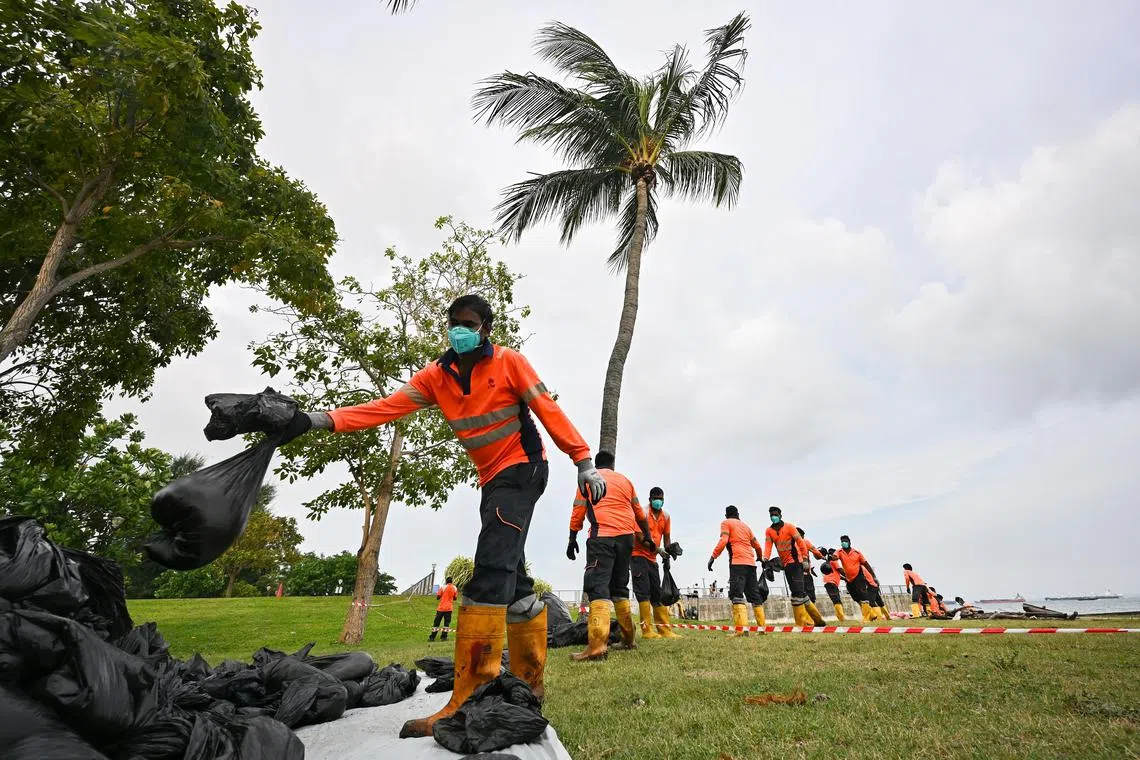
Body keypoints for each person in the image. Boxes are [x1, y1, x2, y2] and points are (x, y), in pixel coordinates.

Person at [277, 293, 607, 738]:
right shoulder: (437, 376)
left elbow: (547, 408)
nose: (458, 329)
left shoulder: (511, 362)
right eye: (453, 322)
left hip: (524, 470)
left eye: (467, 323)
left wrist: (583, 460)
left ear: (486, 328)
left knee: (489, 573)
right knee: (515, 582)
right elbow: (385, 408)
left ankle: (468, 700)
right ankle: (531, 687)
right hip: (492, 478)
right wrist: (315, 420)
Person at [567, 451, 655, 660]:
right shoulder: (626, 481)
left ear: (595, 465)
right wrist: (649, 537)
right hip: (626, 540)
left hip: (602, 538)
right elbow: (639, 514)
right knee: (619, 588)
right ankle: (628, 639)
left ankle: (597, 648)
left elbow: (578, 511)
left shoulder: (589, 478)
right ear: (612, 464)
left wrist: (572, 539)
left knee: (599, 588)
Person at [630, 486, 682, 640]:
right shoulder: (643, 513)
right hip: (638, 555)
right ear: (650, 500)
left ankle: (664, 630)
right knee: (643, 592)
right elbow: (639, 536)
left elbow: (666, 537)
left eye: (661, 498)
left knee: (656, 594)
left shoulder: (666, 516)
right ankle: (647, 631)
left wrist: (668, 551)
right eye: (655, 498)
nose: (658, 501)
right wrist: (658, 549)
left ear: (664, 499)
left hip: (653, 559)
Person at [708, 505, 767, 636]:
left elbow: (724, 540)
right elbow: (757, 545)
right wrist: (759, 558)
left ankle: (741, 631)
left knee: (737, 595)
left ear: (726, 515)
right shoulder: (746, 527)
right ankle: (762, 629)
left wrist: (713, 556)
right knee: (755, 596)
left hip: (737, 563)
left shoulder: (726, 523)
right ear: (738, 514)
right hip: (751, 564)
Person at [762, 507, 824, 626]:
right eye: (771, 515)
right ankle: (818, 620)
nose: (773, 517)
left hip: (796, 562)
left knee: (796, 593)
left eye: (775, 514)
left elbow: (801, 543)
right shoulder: (769, 531)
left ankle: (801, 623)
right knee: (799, 591)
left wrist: (805, 559)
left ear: (780, 515)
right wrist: (765, 558)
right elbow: (768, 546)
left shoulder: (790, 527)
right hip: (786, 564)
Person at [832, 536, 888, 622]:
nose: (843, 543)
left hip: (859, 576)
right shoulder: (839, 551)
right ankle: (872, 614)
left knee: (863, 595)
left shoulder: (857, 553)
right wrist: (833, 557)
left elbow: (866, 564)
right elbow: (835, 556)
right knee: (856, 597)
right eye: (842, 541)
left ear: (849, 542)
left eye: (845, 541)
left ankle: (866, 618)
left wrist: (874, 576)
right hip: (849, 579)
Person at [796, 526, 828, 623]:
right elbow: (816, 552)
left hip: (794, 574)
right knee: (810, 596)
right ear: (802, 535)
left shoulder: (791, 543)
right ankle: (811, 619)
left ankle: (804, 619)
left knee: (799, 596)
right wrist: (823, 557)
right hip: (805, 574)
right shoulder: (805, 541)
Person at [429, 577, 458, 641]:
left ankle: (432, 637)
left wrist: (441, 595)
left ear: (446, 581)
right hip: (449, 609)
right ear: (452, 581)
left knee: (436, 623)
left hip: (441, 608)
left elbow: (438, 597)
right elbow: (455, 598)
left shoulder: (442, 587)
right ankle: (443, 637)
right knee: (446, 624)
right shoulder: (455, 588)